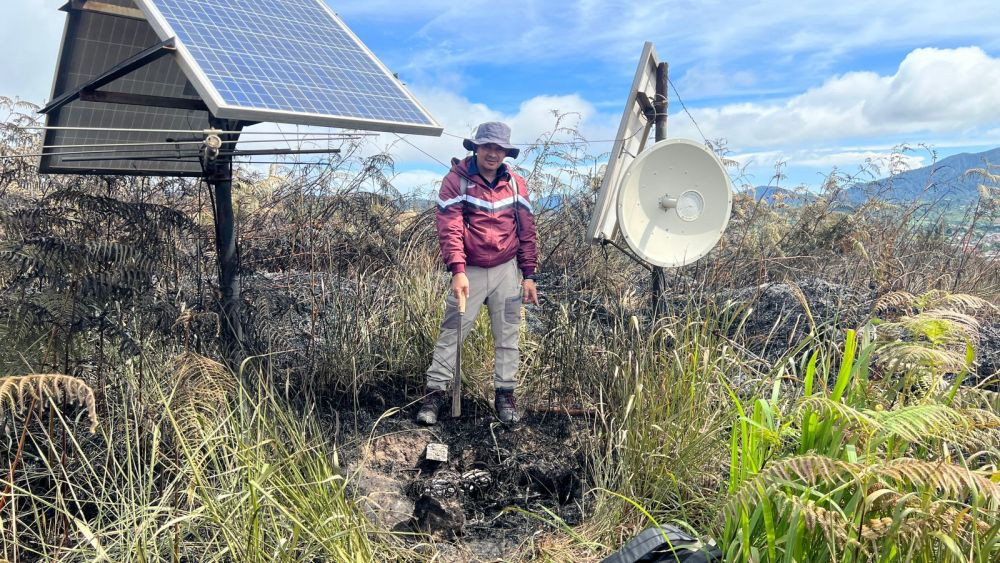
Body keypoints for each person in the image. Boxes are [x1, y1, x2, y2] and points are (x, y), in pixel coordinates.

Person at [416, 122, 539, 425]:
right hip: (468, 271)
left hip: (506, 272)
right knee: (453, 331)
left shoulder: (515, 184)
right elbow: (450, 228)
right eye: (487, 147)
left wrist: (529, 274)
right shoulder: (456, 181)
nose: (493, 153)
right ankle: (435, 395)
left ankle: (505, 395)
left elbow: (526, 230)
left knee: (508, 334)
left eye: (499, 148)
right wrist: (457, 270)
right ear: (476, 147)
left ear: (506, 153)